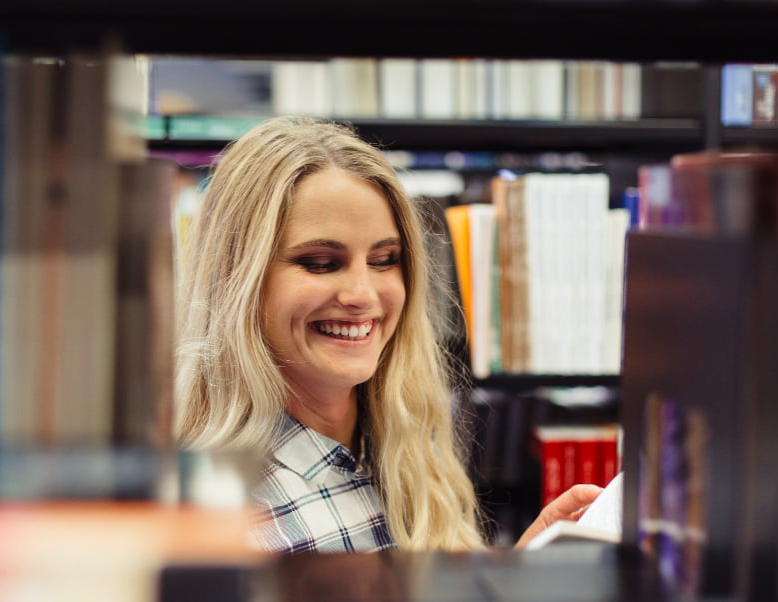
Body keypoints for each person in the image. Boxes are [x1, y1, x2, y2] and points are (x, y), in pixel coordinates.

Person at [175, 116, 601, 553]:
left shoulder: (404, 448)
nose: (363, 294)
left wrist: (514, 578)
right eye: (321, 262)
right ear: (235, 279)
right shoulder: (218, 519)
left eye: (383, 260)